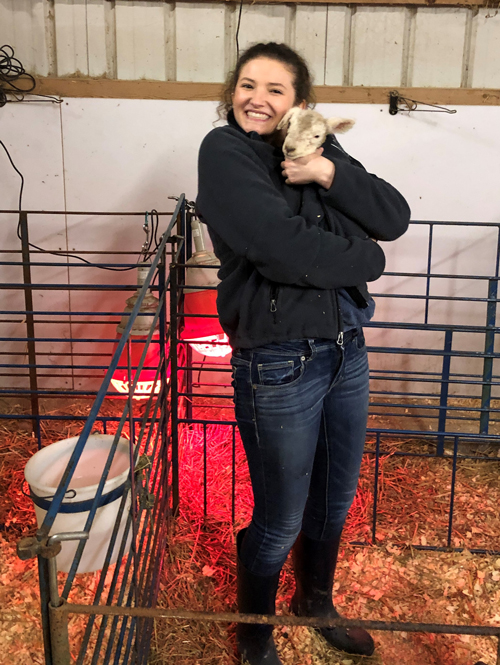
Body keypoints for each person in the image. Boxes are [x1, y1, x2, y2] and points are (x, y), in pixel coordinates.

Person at [196, 42, 410, 665]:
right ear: (232, 92)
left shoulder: (319, 146)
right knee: (282, 514)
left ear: (301, 105)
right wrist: (363, 257)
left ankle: (314, 601)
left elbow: (391, 216)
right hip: (277, 358)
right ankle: (254, 631)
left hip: (347, 349)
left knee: (335, 498)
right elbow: (276, 246)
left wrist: (328, 174)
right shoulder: (226, 151)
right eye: (246, 85)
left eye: (275, 89)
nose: (257, 98)